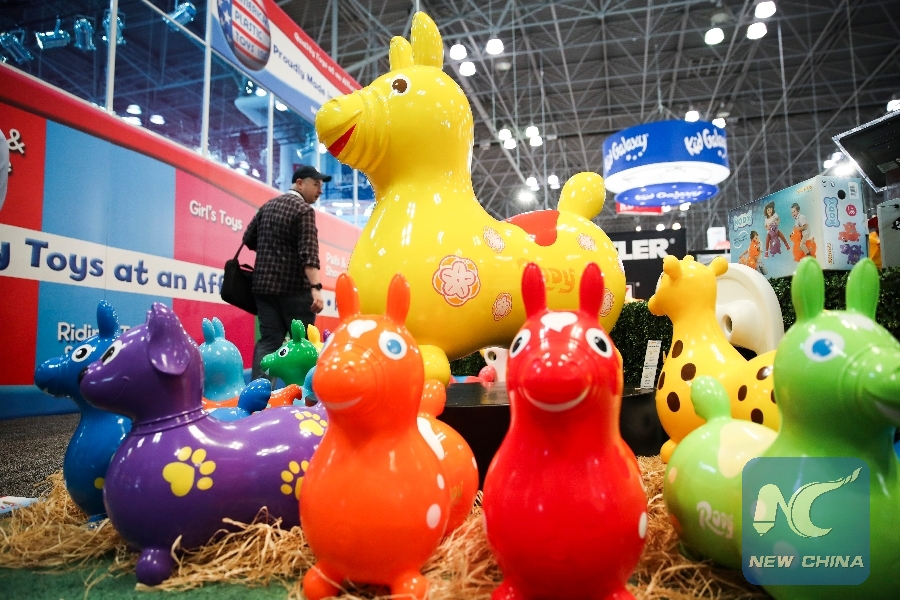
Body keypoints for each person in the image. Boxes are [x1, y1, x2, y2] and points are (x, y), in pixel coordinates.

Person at [243, 165, 330, 380]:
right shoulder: (303, 211)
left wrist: (272, 249)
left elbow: (248, 239)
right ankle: (304, 394)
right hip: (295, 291)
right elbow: (309, 254)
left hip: (264, 289)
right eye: (316, 184)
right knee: (304, 345)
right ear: (299, 183)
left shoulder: (267, 206)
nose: (320, 190)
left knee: (269, 342)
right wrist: (316, 288)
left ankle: (259, 394)